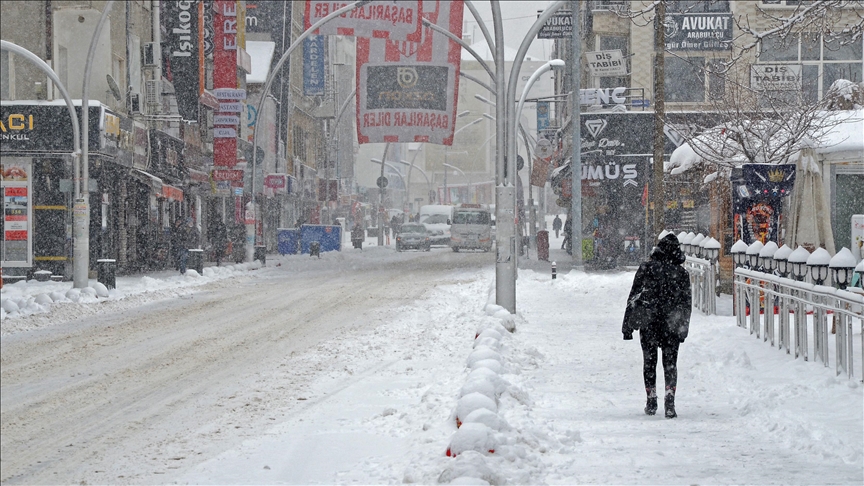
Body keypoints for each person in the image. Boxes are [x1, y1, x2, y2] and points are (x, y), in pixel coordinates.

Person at [622, 233, 692, 418]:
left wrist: (627, 326)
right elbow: (686, 304)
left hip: (649, 322)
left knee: (649, 362)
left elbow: (634, 296)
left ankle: (651, 399)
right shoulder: (681, 274)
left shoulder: (646, 268)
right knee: (670, 363)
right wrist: (683, 328)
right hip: (672, 324)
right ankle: (670, 400)